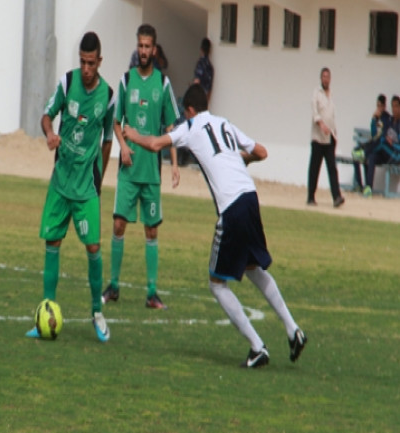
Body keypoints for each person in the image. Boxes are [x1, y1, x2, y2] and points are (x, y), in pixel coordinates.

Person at [123, 84, 307, 368]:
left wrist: (133, 135)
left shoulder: (192, 125)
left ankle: (258, 347)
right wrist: (236, 159)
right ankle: (293, 329)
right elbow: (261, 152)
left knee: (216, 284)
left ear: (189, 110)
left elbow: (156, 144)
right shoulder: (225, 123)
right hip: (250, 197)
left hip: (231, 207)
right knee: (254, 269)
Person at [25, 31, 114, 342]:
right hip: (61, 182)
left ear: (99, 62)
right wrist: (50, 133)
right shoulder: (67, 82)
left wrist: (99, 180)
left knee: (93, 246)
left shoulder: (109, 96)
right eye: (82, 62)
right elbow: (46, 116)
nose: (86, 69)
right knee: (52, 243)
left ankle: (97, 313)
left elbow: (107, 141)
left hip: (86, 186)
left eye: (91, 63)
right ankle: (46, 311)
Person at [103, 24, 180, 310]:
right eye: (141, 46)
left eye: (148, 47)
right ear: (137, 48)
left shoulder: (163, 84)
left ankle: (151, 293)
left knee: (151, 231)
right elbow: (115, 120)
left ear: (154, 49)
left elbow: (172, 127)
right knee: (119, 224)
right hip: (128, 171)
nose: (144, 51)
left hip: (151, 173)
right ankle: (112, 286)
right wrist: (123, 146)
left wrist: (173, 164)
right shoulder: (126, 81)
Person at [308, 67, 344, 207]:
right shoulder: (316, 93)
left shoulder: (331, 94)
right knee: (315, 168)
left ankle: (337, 197)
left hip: (330, 138)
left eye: (328, 77)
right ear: (321, 78)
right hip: (318, 138)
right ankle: (311, 196)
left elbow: (332, 115)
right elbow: (315, 113)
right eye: (324, 77)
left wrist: (334, 131)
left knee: (332, 168)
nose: (326, 79)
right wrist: (321, 124)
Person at [352, 94, 392, 196]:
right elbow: (374, 134)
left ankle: (368, 187)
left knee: (370, 156)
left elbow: (383, 136)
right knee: (355, 152)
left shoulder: (387, 118)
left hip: (382, 150)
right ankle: (359, 185)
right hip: (374, 146)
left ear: (384, 106)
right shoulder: (376, 117)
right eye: (377, 105)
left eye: (380, 106)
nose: (378, 108)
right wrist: (374, 119)